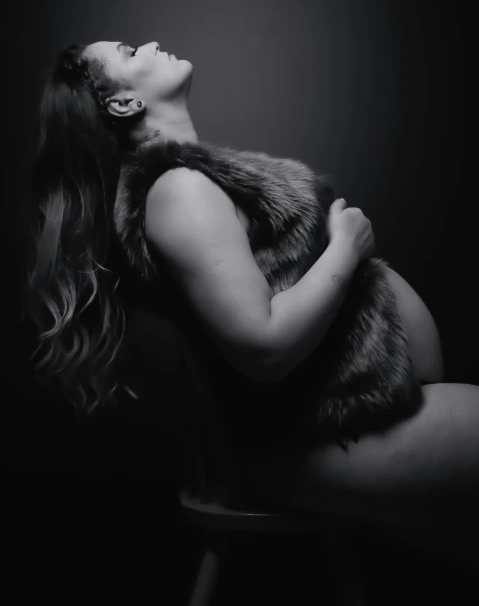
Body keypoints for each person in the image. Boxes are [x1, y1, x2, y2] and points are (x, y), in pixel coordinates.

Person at [24, 39, 479, 569]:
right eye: (128, 51)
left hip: (352, 420)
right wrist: (345, 250)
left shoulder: (197, 181)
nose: (148, 44)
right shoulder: (178, 192)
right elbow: (264, 349)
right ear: (124, 103)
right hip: (312, 443)